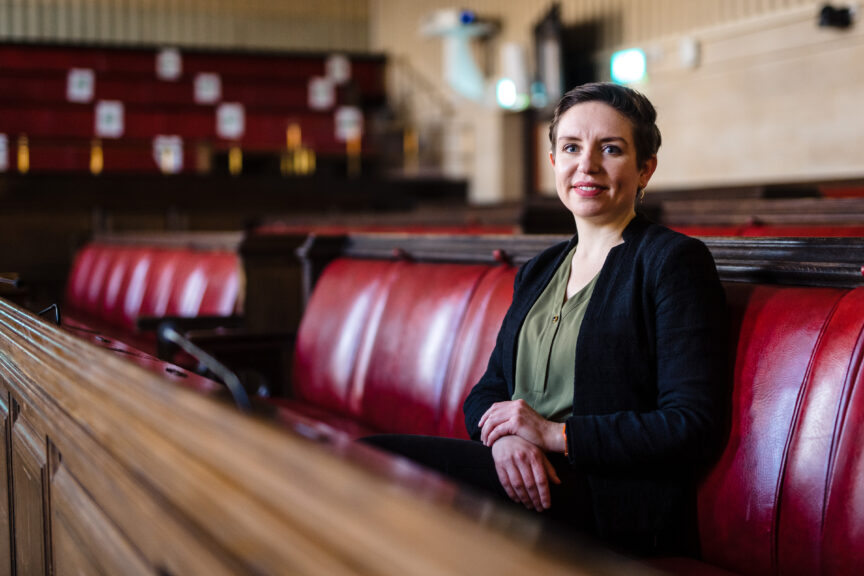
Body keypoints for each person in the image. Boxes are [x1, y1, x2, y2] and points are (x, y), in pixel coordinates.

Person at [364, 82, 727, 556]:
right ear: (554, 162)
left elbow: (691, 423)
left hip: (608, 500)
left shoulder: (673, 261)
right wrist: (506, 442)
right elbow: (487, 393)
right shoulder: (540, 268)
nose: (588, 165)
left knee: (373, 461)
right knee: (358, 459)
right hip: (526, 477)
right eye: (571, 147)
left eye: (611, 149)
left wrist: (554, 435)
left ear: (644, 170)